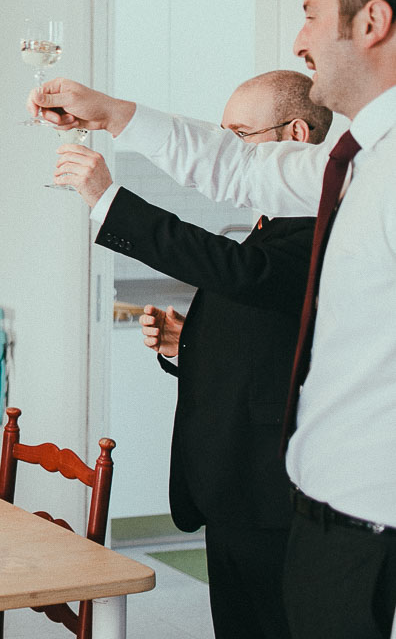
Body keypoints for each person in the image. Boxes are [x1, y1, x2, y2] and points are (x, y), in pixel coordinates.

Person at [31, 0, 396, 639]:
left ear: (373, 22)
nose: (299, 38)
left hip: (365, 507)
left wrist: (107, 196)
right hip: (316, 497)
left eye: (313, 14)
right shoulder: (354, 161)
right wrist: (106, 110)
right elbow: (233, 167)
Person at [53, 70, 329, 639]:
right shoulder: (271, 221)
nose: (228, 154)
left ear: (296, 134)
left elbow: (237, 271)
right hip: (234, 488)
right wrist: (190, 342)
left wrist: (108, 199)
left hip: (274, 492)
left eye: (240, 137)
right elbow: (270, 331)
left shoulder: (326, 223)